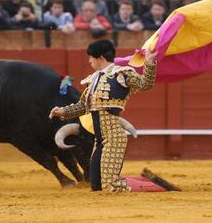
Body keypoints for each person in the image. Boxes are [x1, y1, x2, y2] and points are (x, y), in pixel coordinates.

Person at [49, 39, 180, 192]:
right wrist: (62, 111)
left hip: (114, 137)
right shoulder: (94, 79)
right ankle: (148, 181)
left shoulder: (123, 74)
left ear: (100, 58)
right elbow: (82, 106)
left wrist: (149, 63)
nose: (89, 60)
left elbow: (146, 84)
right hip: (99, 140)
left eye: (91, 57)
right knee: (96, 186)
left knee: (111, 186)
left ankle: (158, 187)